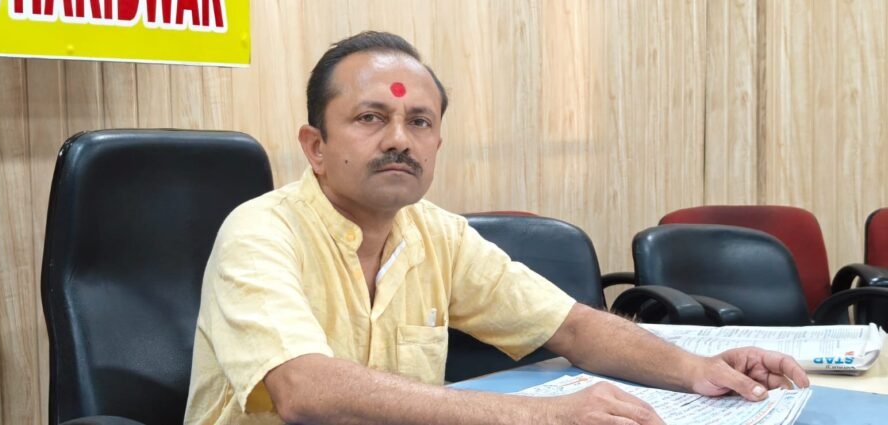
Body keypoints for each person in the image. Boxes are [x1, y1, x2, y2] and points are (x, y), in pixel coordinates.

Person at [184, 31, 809, 425]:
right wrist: (543, 415)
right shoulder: (260, 232)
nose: (400, 140)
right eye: (371, 117)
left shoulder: (437, 235)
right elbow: (304, 389)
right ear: (315, 146)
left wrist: (696, 369)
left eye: (420, 122)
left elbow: (571, 325)